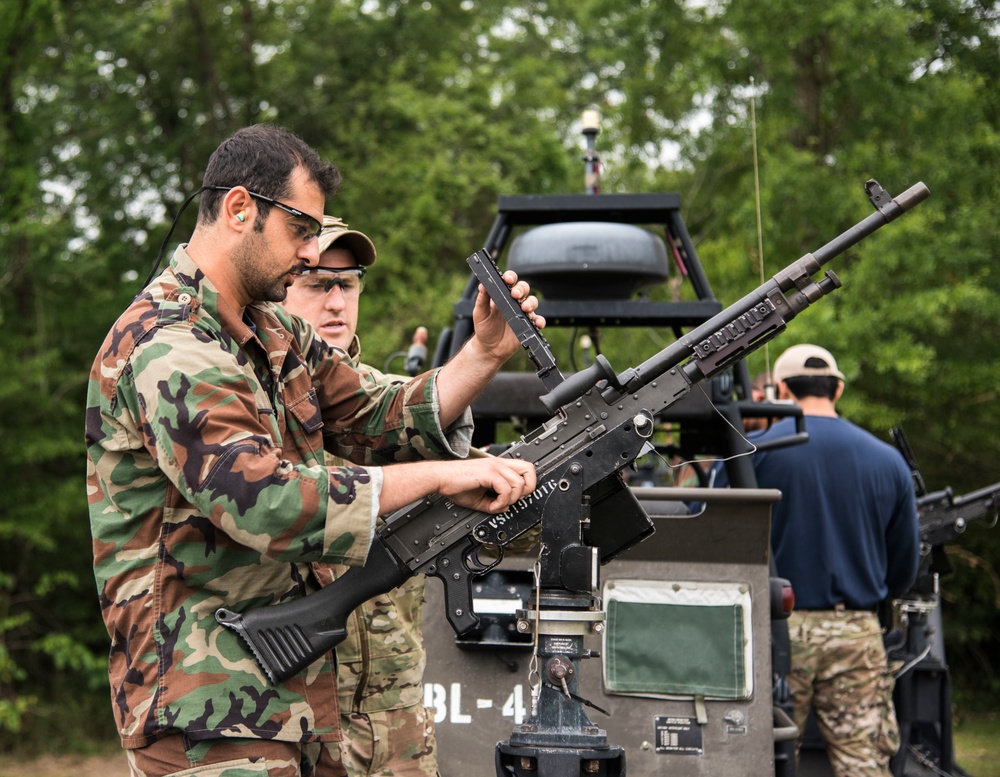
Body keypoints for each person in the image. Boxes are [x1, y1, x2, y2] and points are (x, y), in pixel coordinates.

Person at [85, 124, 542, 777]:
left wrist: (485, 353)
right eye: (302, 231)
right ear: (241, 209)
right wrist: (441, 477)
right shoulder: (169, 344)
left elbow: (380, 412)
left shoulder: (272, 332)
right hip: (205, 717)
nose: (309, 255)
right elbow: (265, 500)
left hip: (286, 708)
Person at [282, 216, 442, 777]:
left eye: (346, 284)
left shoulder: (400, 407)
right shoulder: (251, 403)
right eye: (316, 283)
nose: (335, 302)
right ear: (278, 284)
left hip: (397, 721)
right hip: (297, 721)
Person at [715, 344, 919, 776]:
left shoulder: (751, 454)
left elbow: (716, 539)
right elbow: (904, 567)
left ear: (781, 390)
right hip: (857, 634)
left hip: (771, 633)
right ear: (838, 389)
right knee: (864, 764)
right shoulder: (888, 461)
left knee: (756, 759)